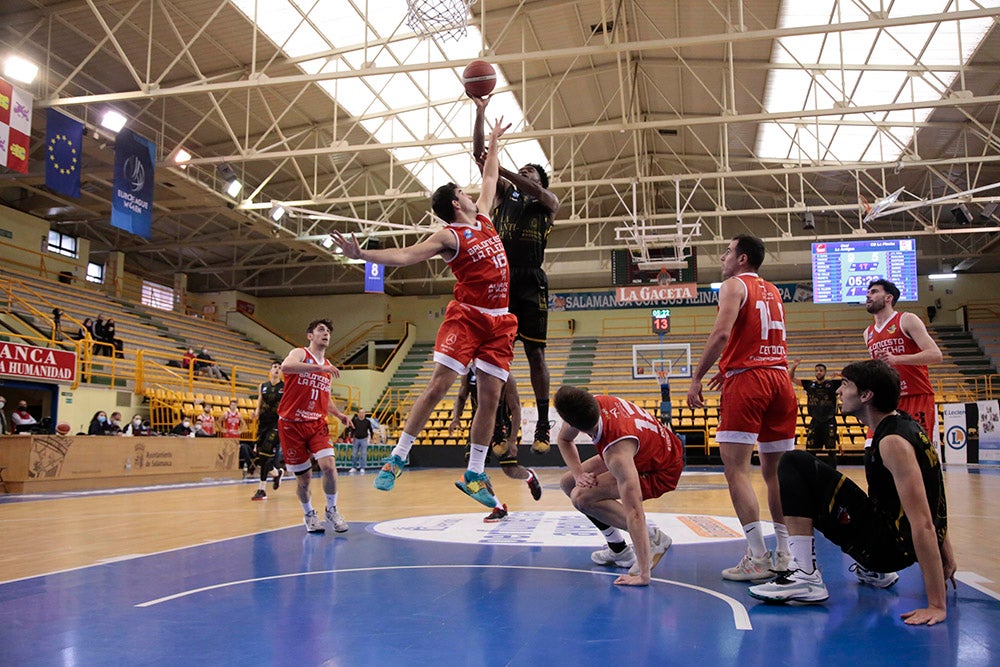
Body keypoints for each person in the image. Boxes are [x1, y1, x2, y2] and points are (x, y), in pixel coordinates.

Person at [330, 117, 516, 511]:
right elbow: (405, 255)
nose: (470, 194)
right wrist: (362, 255)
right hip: (468, 316)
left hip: (500, 320)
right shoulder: (449, 236)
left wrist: (495, 140)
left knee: (491, 396)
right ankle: (397, 456)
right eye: (462, 193)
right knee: (438, 385)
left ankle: (475, 472)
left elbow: (489, 176)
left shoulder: (483, 216)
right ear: (454, 202)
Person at [748, 360, 957, 626]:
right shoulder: (903, 424)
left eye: (846, 385)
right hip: (892, 542)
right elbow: (935, 496)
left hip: (888, 551)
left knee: (792, 463)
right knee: (813, 472)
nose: (838, 392)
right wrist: (947, 556)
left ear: (866, 395)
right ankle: (873, 573)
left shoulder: (893, 443)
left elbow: (924, 523)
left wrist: (937, 604)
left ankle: (805, 576)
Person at [686, 235, 797, 581]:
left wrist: (697, 376)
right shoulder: (774, 291)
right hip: (780, 379)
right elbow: (757, 336)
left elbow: (721, 334)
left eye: (728, 252)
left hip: (749, 383)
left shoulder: (732, 285)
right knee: (775, 474)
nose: (723, 256)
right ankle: (784, 553)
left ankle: (757, 556)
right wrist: (729, 367)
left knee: (736, 470)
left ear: (743, 259)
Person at [473, 95, 560, 455]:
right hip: (502, 280)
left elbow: (535, 189)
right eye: (521, 171)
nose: (524, 174)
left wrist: (504, 166)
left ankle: (542, 420)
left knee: (536, 356)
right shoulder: (505, 196)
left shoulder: (547, 202)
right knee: (498, 356)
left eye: (531, 171)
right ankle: (505, 420)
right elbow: (480, 154)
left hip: (531, 280)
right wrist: (479, 113)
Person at [554, 385, 682, 586]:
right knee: (569, 482)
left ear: (573, 423)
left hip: (662, 469)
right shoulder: (594, 403)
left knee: (581, 497)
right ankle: (618, 549)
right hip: (645, 450)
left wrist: (643, 576)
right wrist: (578, 474)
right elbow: (563, 439)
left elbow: (635, 512)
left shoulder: (617, 454)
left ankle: (654, 539)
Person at [278, 319, 350, 533]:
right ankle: (309, 513)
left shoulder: (326, 367)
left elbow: (323, 396)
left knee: (328, 466)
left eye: (328, 330)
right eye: (321, 330)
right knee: (305, 478)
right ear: (310, 336)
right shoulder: (300, 353)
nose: (325, 333)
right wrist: (319, 367)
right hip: (291, 425)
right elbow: (286, 366)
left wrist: (338, 414)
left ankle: (331, 509)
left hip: (317, 423)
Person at [449, 369, 543, 521]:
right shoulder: (469, 374)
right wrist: (456, 418)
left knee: (510, 471)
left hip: (502, 428)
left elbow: (516, 409)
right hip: (478, 428)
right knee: (474, 474)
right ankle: (498, 507)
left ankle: (529, 476)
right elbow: (461, 396)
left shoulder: (506, 376)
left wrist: (512, 440)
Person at [864, 279, 942, 448]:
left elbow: (936, 355)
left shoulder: (906, 319)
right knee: (872, 449)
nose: (868, 295)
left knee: (916, 452)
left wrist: (897, 359)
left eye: (874, 291)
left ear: (888, 298)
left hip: (916, 395)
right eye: (868, 292)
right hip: (886, 399)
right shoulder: (867, 333)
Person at [789, 361, 842, 467]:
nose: (818, 373)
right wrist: (793, 367)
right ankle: (811, 473)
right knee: (811, 450)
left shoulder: (832, 384)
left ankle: (833, 475)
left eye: (821, 371)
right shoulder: (810, 384)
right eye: (817, 371)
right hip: (815, 421)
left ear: (825, 372)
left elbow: (851, 381)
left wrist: (840, 375)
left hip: (829, 420)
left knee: (831, 451)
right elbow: (791, 379)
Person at [251, 362, 285, 501]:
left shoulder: (284, 387)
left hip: (276, 423)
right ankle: (277, 473)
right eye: (275, 367)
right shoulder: (263, 386)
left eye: (279, 368)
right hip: (263, 423)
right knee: (260, 457)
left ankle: (261, 489)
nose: (277, 370)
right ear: (270, 370)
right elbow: (260, 401)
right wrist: (256, 412)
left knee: (266, 453)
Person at [350, 408, 375, 474]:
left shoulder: (367, 421)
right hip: (356, 439)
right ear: (358, 414)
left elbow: (371, 430)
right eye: (360, 413)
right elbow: (352, 429)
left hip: (364, 439)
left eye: (363, 413)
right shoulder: (355, 421)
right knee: (354, 454)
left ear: (364, 414)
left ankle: (362, 467)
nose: (361, 414)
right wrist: (351, 437)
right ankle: (354, 467)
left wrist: (372, 438)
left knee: (363, 454)